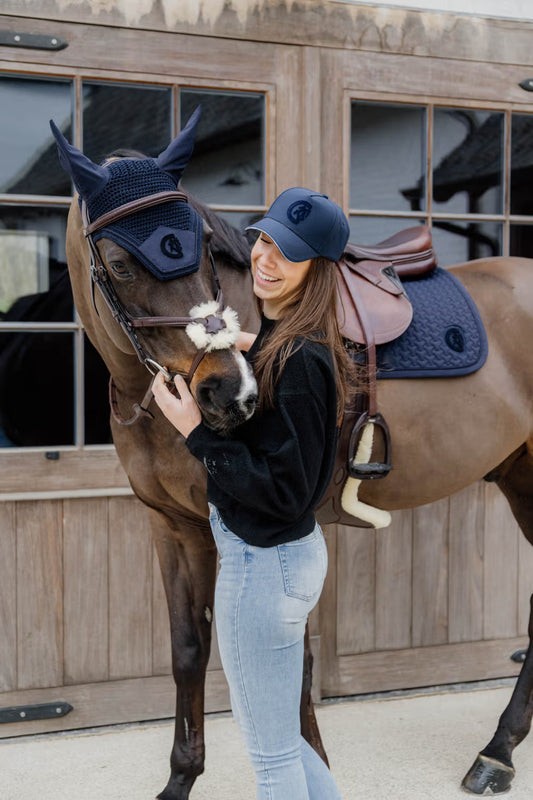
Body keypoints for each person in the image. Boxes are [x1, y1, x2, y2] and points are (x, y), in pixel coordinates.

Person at [152, 187, 354, 800]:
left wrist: (193, 433)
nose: (265, 258)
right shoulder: (293, 348)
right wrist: (251, 348)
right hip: (287, 562)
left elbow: (281, 492)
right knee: (284, 743)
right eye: (263, 240)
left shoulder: (298, 362)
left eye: (286, 253)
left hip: (263, 567)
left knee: (270, 761)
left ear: (315, 270)